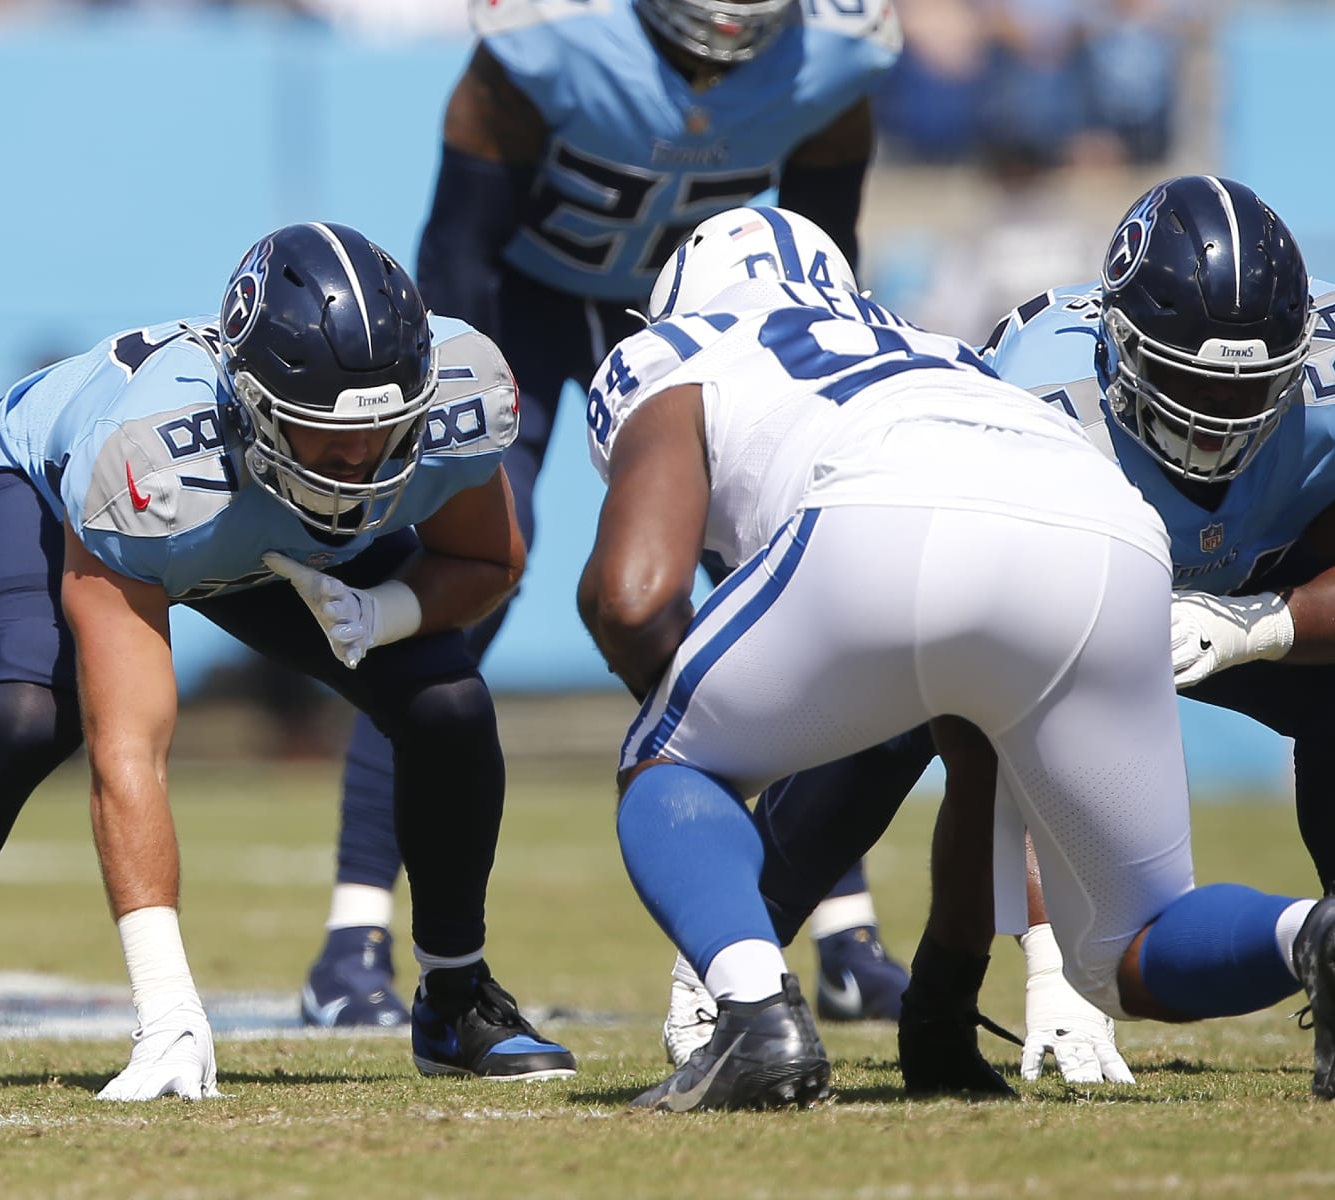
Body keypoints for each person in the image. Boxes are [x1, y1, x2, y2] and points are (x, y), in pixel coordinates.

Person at [0, 221, 576, 1097]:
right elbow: (129, 749)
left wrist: (382, 611)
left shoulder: (461, 393)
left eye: (387, 431)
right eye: (325, 434)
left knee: (449, 699)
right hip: (58, 491)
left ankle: (457, 996)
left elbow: (488, 561)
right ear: (255, 404)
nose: (358, 464)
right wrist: (167, 1008)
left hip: (246, 530)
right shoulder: (149, 458)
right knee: (27, 717)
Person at [572, 204, 1335, 1111]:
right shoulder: (931, 344)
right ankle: (1309, 934)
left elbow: (629, 597)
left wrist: (699, 750)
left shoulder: (676, 348)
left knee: (667, 758)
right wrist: (943, 992)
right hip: (1110, 539)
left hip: (885, 512)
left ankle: (749, 1005)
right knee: (1131, 947)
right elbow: (974, 741)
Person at [304, 0, 915, 1033]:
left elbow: (823, 266)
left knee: (790, 586)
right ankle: (352, 939)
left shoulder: (835, 58)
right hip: (525, 308)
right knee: (460, 583)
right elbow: (457, 247)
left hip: (704, 332)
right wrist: (456, 400)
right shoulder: (550, 39)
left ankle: (845, 935)